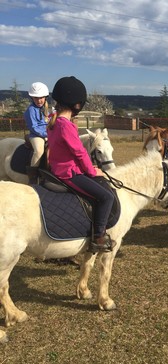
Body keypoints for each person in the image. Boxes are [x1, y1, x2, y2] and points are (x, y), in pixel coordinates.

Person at [47, 76, 115, 253]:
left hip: (56, 169)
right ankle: (99, 237)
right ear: (77, 104)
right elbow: (79, 152)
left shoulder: (53, 121)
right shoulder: (65, 125)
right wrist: (92, 171)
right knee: (106, 197)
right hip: (68, 173)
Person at [24, 82, 49, 183]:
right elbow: (34, 127)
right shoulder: (31, 110)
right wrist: (46, 134)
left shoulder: (43, 108)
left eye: (41, 97)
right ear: (32, 98)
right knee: (39, 151)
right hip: (36, 135)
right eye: (36, 98)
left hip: (45, 133)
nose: (39, 100)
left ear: (45, 97)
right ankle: (32, 176)